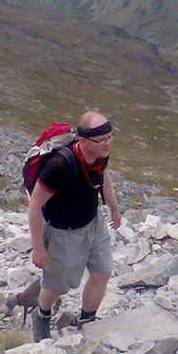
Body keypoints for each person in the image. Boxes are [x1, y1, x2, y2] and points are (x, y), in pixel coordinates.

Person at [27, 111, 122, 341]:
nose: (107, 144)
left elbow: (103, 177)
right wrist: (38, 248)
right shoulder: (60, 166)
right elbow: (35, 206)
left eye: (110, 137)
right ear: (84, 140)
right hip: (63, 231)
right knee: (59, 285)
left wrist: (114, 208)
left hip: (93, 221)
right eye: (101, 140)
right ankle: (42, 314)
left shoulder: (100, 155)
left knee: (102, 272)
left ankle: (87, 321)